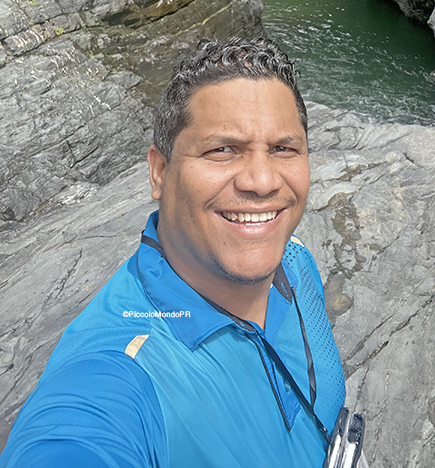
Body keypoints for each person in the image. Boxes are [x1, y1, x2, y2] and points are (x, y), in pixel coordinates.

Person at [1, 37, 346, 468]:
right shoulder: (118, 372)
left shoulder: (296, 263)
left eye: (283, 149)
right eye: (223, 150)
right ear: (160, 172)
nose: (262, 181)